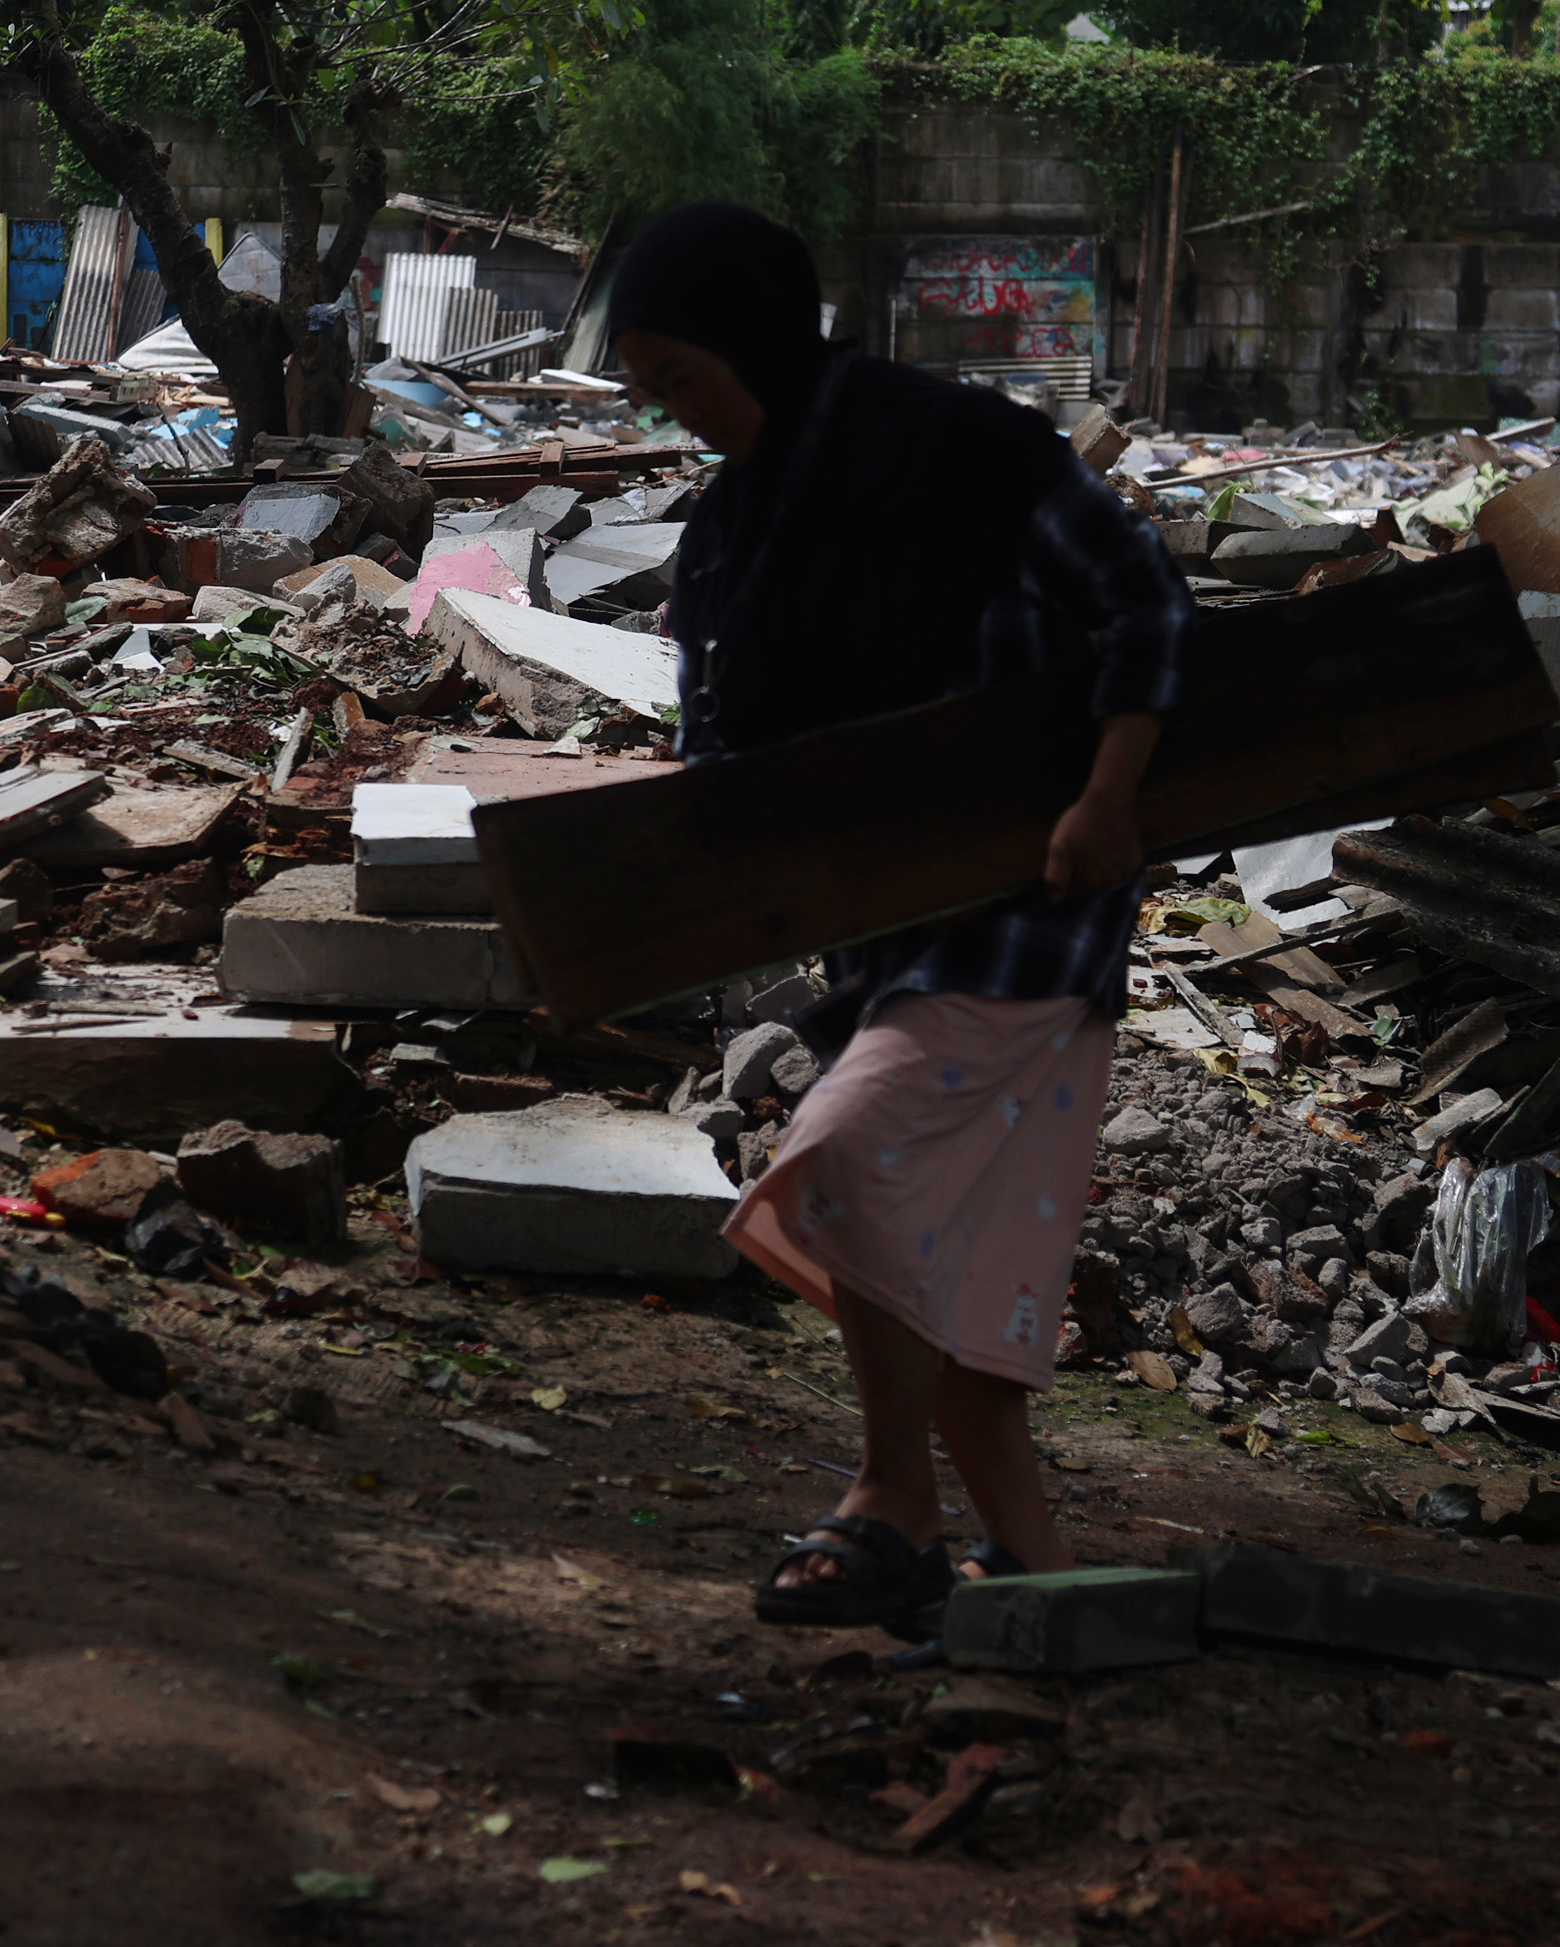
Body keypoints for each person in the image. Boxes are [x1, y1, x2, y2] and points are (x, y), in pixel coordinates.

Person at [603, 203, 1193, 1633]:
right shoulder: (736, 536)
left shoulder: (966, 457)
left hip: (1027, 915)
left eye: (688, 378)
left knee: (843, 1162)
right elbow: (715, 749)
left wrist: (1108, 797)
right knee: (976, 1266)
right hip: (880, 930)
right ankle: (1043, 1581)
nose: (680, 419)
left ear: (757, 343)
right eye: (654, 393)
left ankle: (888, 1500)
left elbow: (1147, 602)